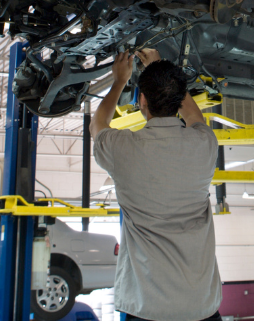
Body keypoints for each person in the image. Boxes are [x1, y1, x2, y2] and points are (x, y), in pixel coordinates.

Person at [91, 48, 222, 321]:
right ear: (177, 101)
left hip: (148, 310)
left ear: (141, 101)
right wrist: (162, 69)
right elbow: (195, 117)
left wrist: (118, 80)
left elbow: (98, 124)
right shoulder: (204, 144)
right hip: (202, 308)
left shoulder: (122, 149)